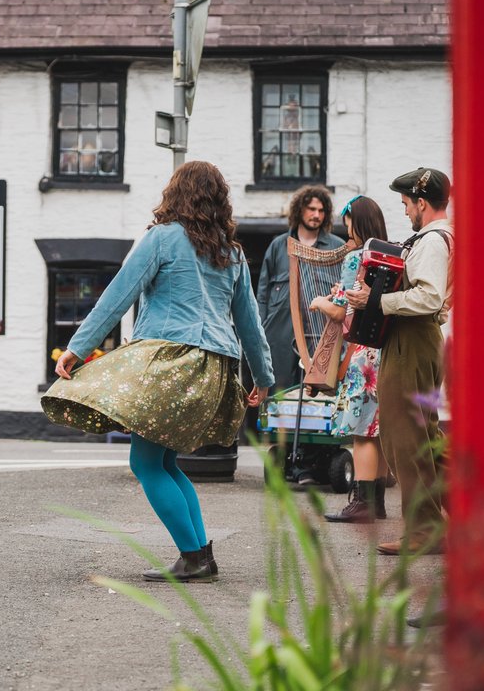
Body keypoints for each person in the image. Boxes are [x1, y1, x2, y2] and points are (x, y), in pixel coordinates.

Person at [41, 161, 274, 583]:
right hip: (216, 367)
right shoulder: (232, 253)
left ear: (176, 194)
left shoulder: (162, 239)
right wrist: (262, 377)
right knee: (166, 462)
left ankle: (193, 555)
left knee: (146, 463)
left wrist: (78, 347)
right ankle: (200, 554)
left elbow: (118, 294)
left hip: (172, 360)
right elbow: (249, 324)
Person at [346, 167, 453, 556]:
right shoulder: (445, 237)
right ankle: (470, 510)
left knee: (405, 439)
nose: (406, 211)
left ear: (422, 203)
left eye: (407, 203)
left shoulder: (430, 241)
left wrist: (374, 301)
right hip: (420, 340)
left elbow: (428, 297)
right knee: (427, 438)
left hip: (411, 340)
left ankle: (425, 531)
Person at [308, 195, 392, 523]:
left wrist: (318, 301)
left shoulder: (356, 257)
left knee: (361, 430)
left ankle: (361, 503)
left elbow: (341, 310)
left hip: (362, 355)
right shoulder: (388, 254)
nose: (347, 235)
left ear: (359, 223)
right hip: (385, 350)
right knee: (377, 429)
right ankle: (378, 501)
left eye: (349, 227)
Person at [256, 185, 346, 391]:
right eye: (311, 209)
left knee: (320, 400)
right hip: (280, 336)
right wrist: (263, 327)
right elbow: (262, 294)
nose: (316, 215)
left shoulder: (337, 246)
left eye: (321, 211)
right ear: (299, 210)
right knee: (279, 395)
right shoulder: (278, 246)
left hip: (320, 336)